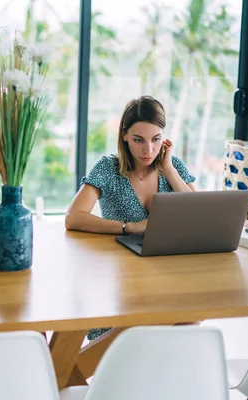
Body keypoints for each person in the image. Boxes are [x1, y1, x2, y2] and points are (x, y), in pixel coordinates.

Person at [65, 95, 196, 339]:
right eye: (139, 140)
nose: (148, 150)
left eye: (156, 140)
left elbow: (197, 214)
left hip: (167, 275)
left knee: (193, 311)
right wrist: (130, 227)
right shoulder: (108, 168)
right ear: (124, 135)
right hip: (121, 278)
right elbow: (74, 217)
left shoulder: (173, 165)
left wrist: (168, 169)